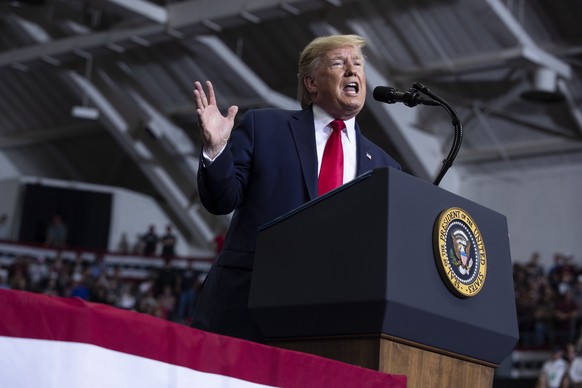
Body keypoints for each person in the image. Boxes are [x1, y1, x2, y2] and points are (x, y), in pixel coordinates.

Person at [190, 34, 401, 342]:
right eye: (339, 63)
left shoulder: (385, 167)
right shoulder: (265, 127)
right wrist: (217, 149)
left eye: (357, 64)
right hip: (243, 314)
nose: (352, 71)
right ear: (311, 83)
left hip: (330, 328)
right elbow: (221, 200)